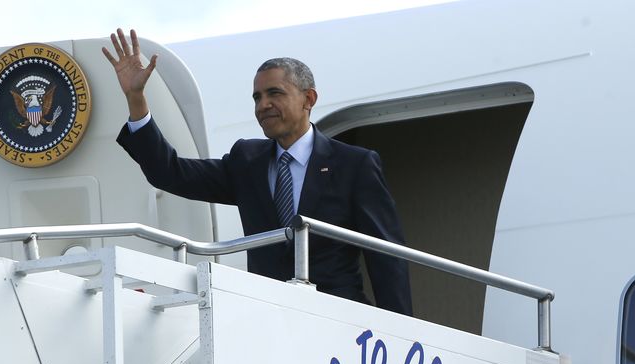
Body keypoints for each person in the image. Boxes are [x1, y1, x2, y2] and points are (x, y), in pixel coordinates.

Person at [103, 29, 413, 315]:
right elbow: (169, 173)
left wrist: (402, 336)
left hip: (338, 320)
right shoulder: (246, 161)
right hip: (266, 320)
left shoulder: (354, 165)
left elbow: (386, 257)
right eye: (257, 97)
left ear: (309, 99)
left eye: (274, 94)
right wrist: (136, 99)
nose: (262, 105)